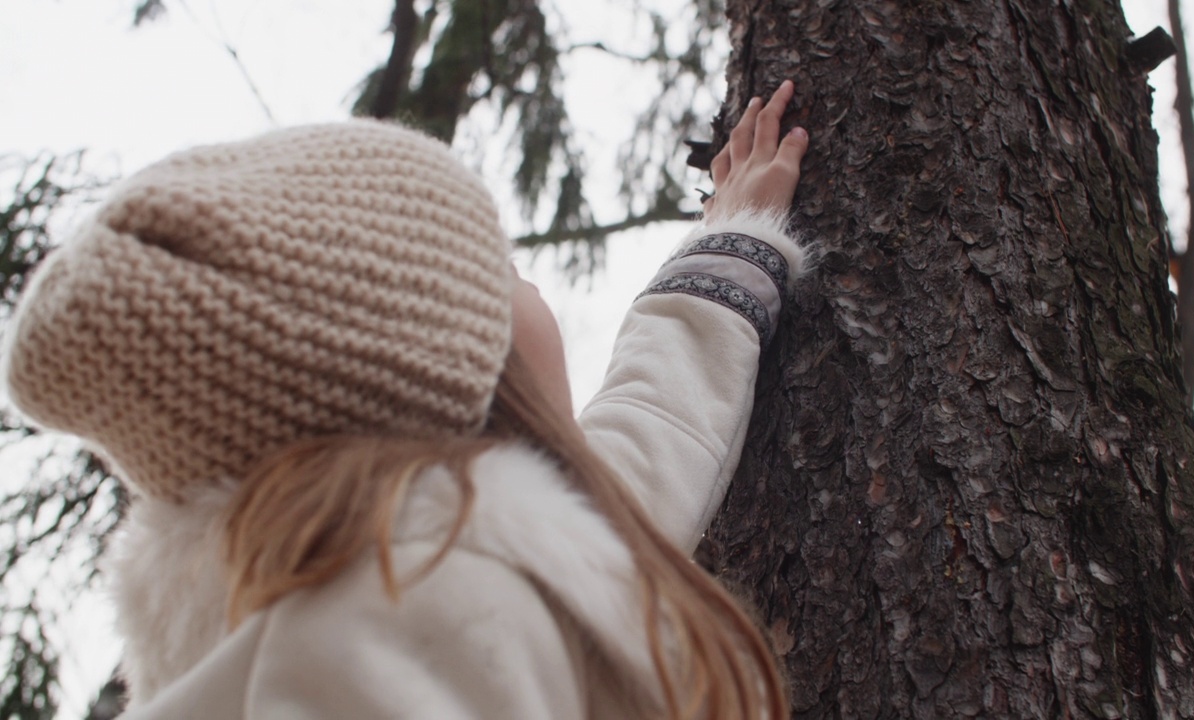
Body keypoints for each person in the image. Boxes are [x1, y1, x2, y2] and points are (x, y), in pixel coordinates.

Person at [3, 80, 809, 719]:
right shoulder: (421, 601)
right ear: (450, 370)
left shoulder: (396, 576)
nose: (531, 287)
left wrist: (727, 241)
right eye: (504, 271)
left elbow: (638, 448)